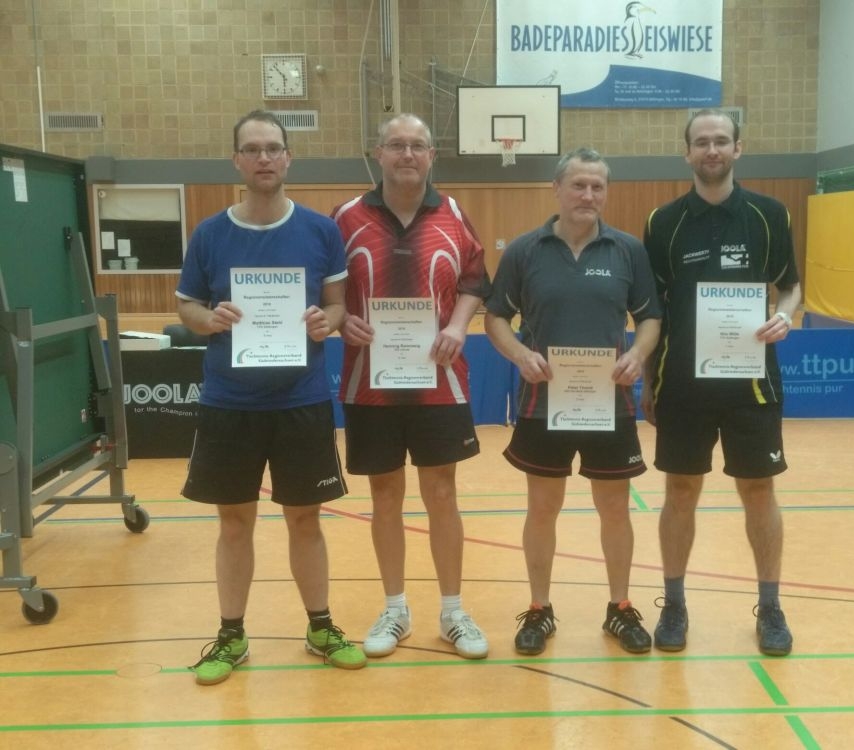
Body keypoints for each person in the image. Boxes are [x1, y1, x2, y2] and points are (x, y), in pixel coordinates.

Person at [178, 110, 366, 685]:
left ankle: (320, 627)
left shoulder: (320, 231)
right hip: (229, 403)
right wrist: (208, 319)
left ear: (288, 158)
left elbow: (337, 305)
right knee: (234, 523)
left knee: (305, 520)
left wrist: (327, 322)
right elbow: (187, 307)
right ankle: (231, 635)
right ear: (236, 160)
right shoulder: (209, 234)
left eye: (273, 148)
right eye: (253, 149)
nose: (264, 158)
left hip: (301, 401)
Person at [484, 147, 662, 655]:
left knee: (615, 509)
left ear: (606, 192)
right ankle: (539, 608)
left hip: (610, 402)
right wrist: (520, 354)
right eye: (579, 185)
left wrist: (638, 355)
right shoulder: (525, 250)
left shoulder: (628, 250)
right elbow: (495, 317)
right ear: (557, 189)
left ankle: (620, 608)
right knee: (543, 508)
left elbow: (650, 317)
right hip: (544, 403)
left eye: (597, 187)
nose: (588, 195)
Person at [642, 109, 802, 657]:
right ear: (686, 152)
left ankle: (771, 607)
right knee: (680, 491)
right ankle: (674, 604)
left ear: (738, 148)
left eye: (721, 141)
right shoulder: (663, 222)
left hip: (751, 385)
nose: (711, 150)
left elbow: (790, 285)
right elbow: (652, 310)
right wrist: (648, 383)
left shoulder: (769, 215)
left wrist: (785, 315)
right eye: (701, 142)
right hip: (682, 386)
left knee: (759, 491)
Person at [331, 114, 491, 660]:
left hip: (438, 382)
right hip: (368, 383)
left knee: (442, 493)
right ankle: (395, 609)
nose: (407, 154)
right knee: (384, 495)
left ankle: (453, 612)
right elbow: (327, 290)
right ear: (378, 153)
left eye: (417, 145)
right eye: (396, 145)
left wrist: (458, 326)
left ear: (431, 155)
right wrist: (341, 320)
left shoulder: (453, 214)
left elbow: (475, 280)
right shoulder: (346, 217)